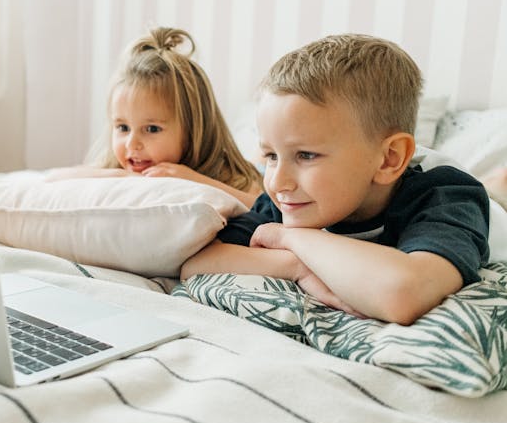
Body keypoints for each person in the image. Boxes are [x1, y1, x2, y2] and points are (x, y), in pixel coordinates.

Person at [180, 34, 490, 325]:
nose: (277, 182)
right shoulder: (289, 200)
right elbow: (198, 263)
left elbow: (403, 295)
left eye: (306, 155)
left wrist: (291, 238)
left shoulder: (446, 196)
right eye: (271, 156)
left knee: (493, 198)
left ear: (389, 159)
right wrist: (296, 266)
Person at [46, 27, 262, 208]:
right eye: (122, 127)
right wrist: (126, 178)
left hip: (257, 169)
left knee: (264, 153)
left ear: (194, 128)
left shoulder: (232, 176)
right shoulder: (119, 168)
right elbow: (53, 179)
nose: (132, 143)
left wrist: (194, 181)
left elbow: (262, 207)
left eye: (151, 129)